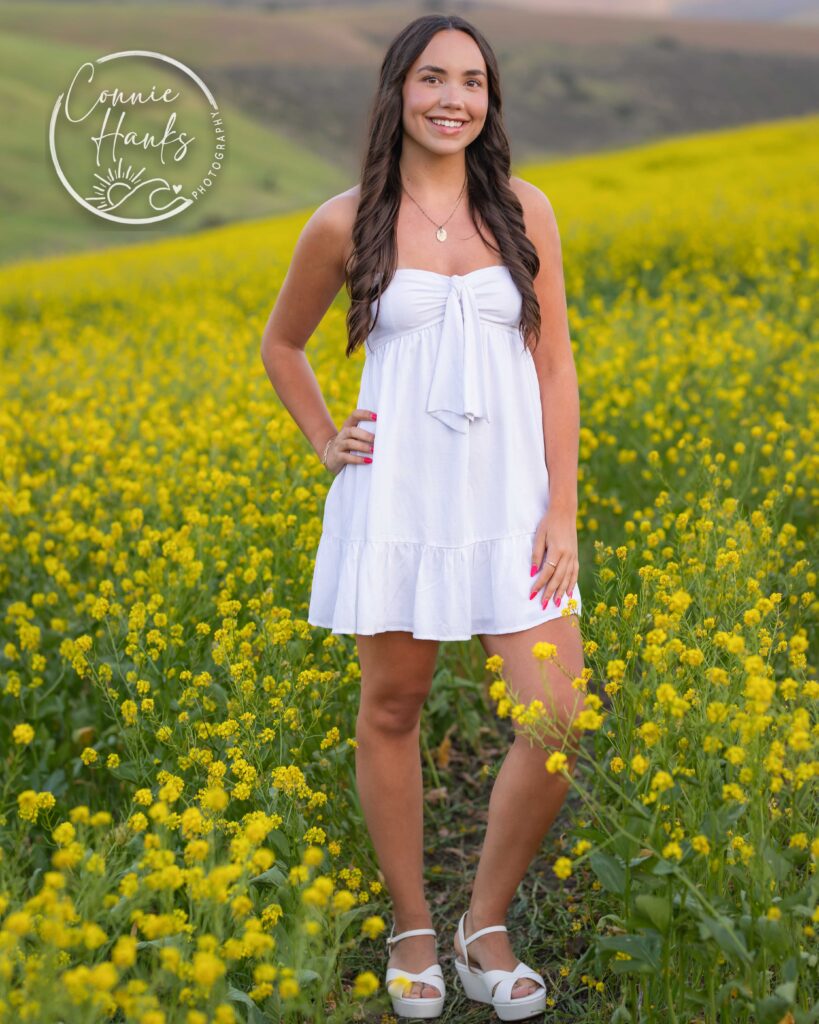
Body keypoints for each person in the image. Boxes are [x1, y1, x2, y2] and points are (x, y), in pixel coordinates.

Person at [260, 13, 585, 1021]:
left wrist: (563, 508)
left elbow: (556, 363)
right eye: (433, 77)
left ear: (489, 101)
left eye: (473, 82)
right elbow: (282, 343)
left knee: (557, 715)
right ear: (398, 90)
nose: (453, 97)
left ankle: (483, 926)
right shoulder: (343, 220)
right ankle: (412, 924)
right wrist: (325, 438)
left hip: (509, 502)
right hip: (395, 497)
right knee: (393, 709)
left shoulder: (526, 210)